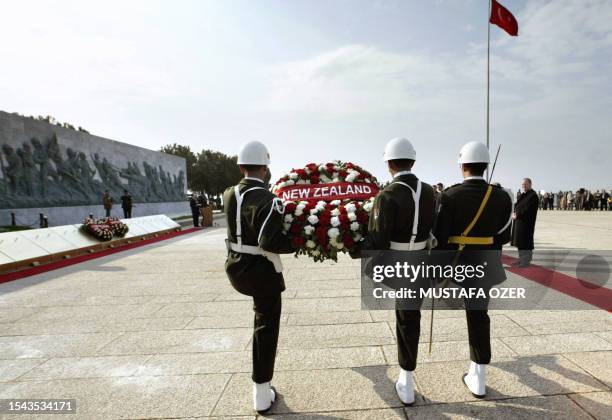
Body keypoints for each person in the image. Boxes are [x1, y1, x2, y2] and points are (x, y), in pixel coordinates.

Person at [351, 137, 435, 405]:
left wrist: (354, 249)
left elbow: (377, 241)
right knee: (411, 318)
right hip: (421, 262)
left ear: (388, 163)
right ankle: (407, 377)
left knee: (404, 319)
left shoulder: (386, 195)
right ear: (413, 161)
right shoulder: (430, 191)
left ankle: (406, 383)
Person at [434, 141, 513, 398]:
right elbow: (504, 235)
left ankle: (476, 374)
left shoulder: (450, 195)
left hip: (457, 262)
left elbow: (441, 236)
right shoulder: (501, 195)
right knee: (479, 314)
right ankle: (478, 373)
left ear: (462, 166)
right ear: (486, 165)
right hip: (486, 262)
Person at [223, 141, 295, 414]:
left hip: (235, 266)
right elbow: (271, 241)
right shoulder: (269, 199)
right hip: (261, 271)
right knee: (266, 327)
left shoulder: (229, 193)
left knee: (260, 320)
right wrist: (297, 243)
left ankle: (262, 387)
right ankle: (262, 392)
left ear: (241, 167)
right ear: (265, 169)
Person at [511, 178, 539, 267]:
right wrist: (513, 212)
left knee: (525, 242)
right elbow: (517, 205)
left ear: (530, 184)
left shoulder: (533, 195)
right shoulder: (523, 195)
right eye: (522, 184)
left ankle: (525, 261)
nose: (523, 186)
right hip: (519, 222)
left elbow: (528, 209)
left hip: (527, 223)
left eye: (525, 184)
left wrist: (517, 214)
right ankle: (521, 258)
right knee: (520, 241)